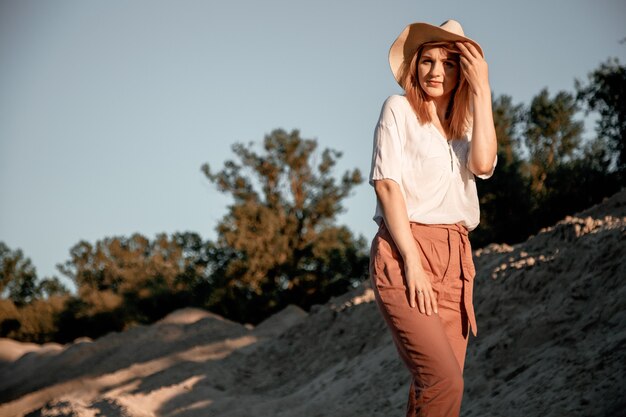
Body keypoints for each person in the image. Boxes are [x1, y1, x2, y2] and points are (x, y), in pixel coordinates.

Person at [368, 20, 497, 417]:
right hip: (407, 248)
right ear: (414, 66)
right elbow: (387, 186)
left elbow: (484, 163)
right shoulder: (399, 109)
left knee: (437, 388)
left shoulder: (468, 121)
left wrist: (483, 90)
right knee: (443, 380)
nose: (436, 71)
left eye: (449, 63)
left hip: (456, 260)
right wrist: (412, 262)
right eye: (427, 61)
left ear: (463, 70)